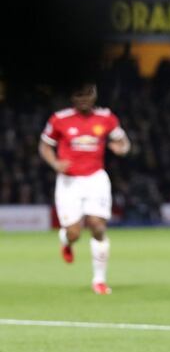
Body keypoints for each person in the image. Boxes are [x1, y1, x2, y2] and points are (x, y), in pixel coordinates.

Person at [38, 83, 130, 295]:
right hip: (69, 181)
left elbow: (124, 141)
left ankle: (99, 280)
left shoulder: (106, 117)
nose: (83, 99)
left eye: (87, 94)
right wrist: (55, 164)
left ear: (95, 94)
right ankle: (66, 241)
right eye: (79, 95)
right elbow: (44, 146)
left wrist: (122, 148)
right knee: (74, 232)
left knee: (97, 226)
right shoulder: (59, 119)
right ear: (72, 97)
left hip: (96, 178)